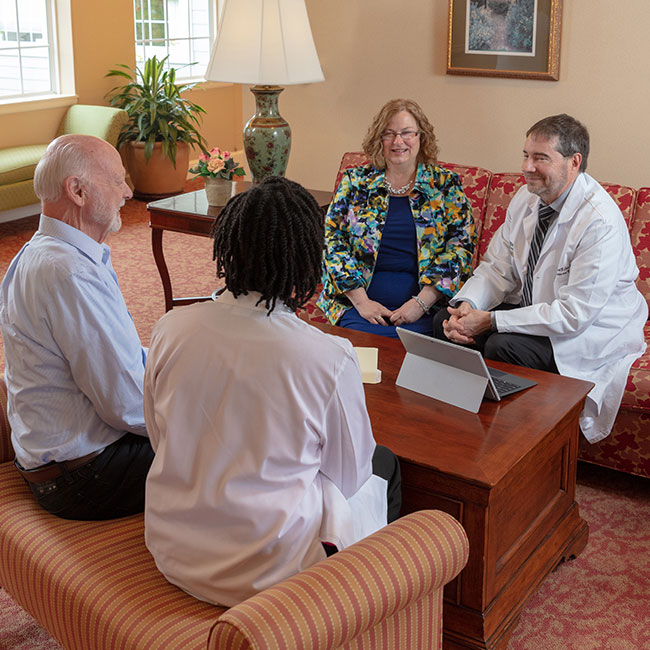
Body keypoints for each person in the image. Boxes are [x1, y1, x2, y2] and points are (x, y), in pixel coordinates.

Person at [143, 177, 401, 607]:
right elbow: (351, 474)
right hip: (268, 571)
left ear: (228, 247)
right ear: (306, 258)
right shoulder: (328, 355)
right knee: (382, 464)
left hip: (174, 551)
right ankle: (371, 606)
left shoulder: (170, 327)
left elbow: (159, 435)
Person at [433, 114, 647, 443]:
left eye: (540, 158)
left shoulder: (598, 221)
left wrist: (490, 321)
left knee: (502, 344)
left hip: (590, 329)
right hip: (537, 307)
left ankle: (511, 444)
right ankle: (457, 427)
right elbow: (496, 267)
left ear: (574, 162)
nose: (528, 167)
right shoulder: (526, 198)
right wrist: (466, 305)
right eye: (526, 155)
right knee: (443, 323)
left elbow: (575, 314)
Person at [0, 134, 153, 520]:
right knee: (240, 439)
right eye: (117, 180)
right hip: (85, 477)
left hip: (70, 462)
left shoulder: (44, 253)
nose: (128, 192)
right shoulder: (69, 273)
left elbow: (124, 364)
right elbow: (128, 406)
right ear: (78, 191)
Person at [317, 98, 476, 338]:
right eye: (388, 134)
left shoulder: (444, 185)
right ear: (378, 139)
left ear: (421, 137)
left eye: (406, 133)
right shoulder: (355, 182)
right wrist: (362, 303)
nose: (397, 141)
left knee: (413, 353)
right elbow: (332, 243)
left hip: (427, 308)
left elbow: (461, 247)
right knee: (365, 352)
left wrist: (420, 304)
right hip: (357, 306)